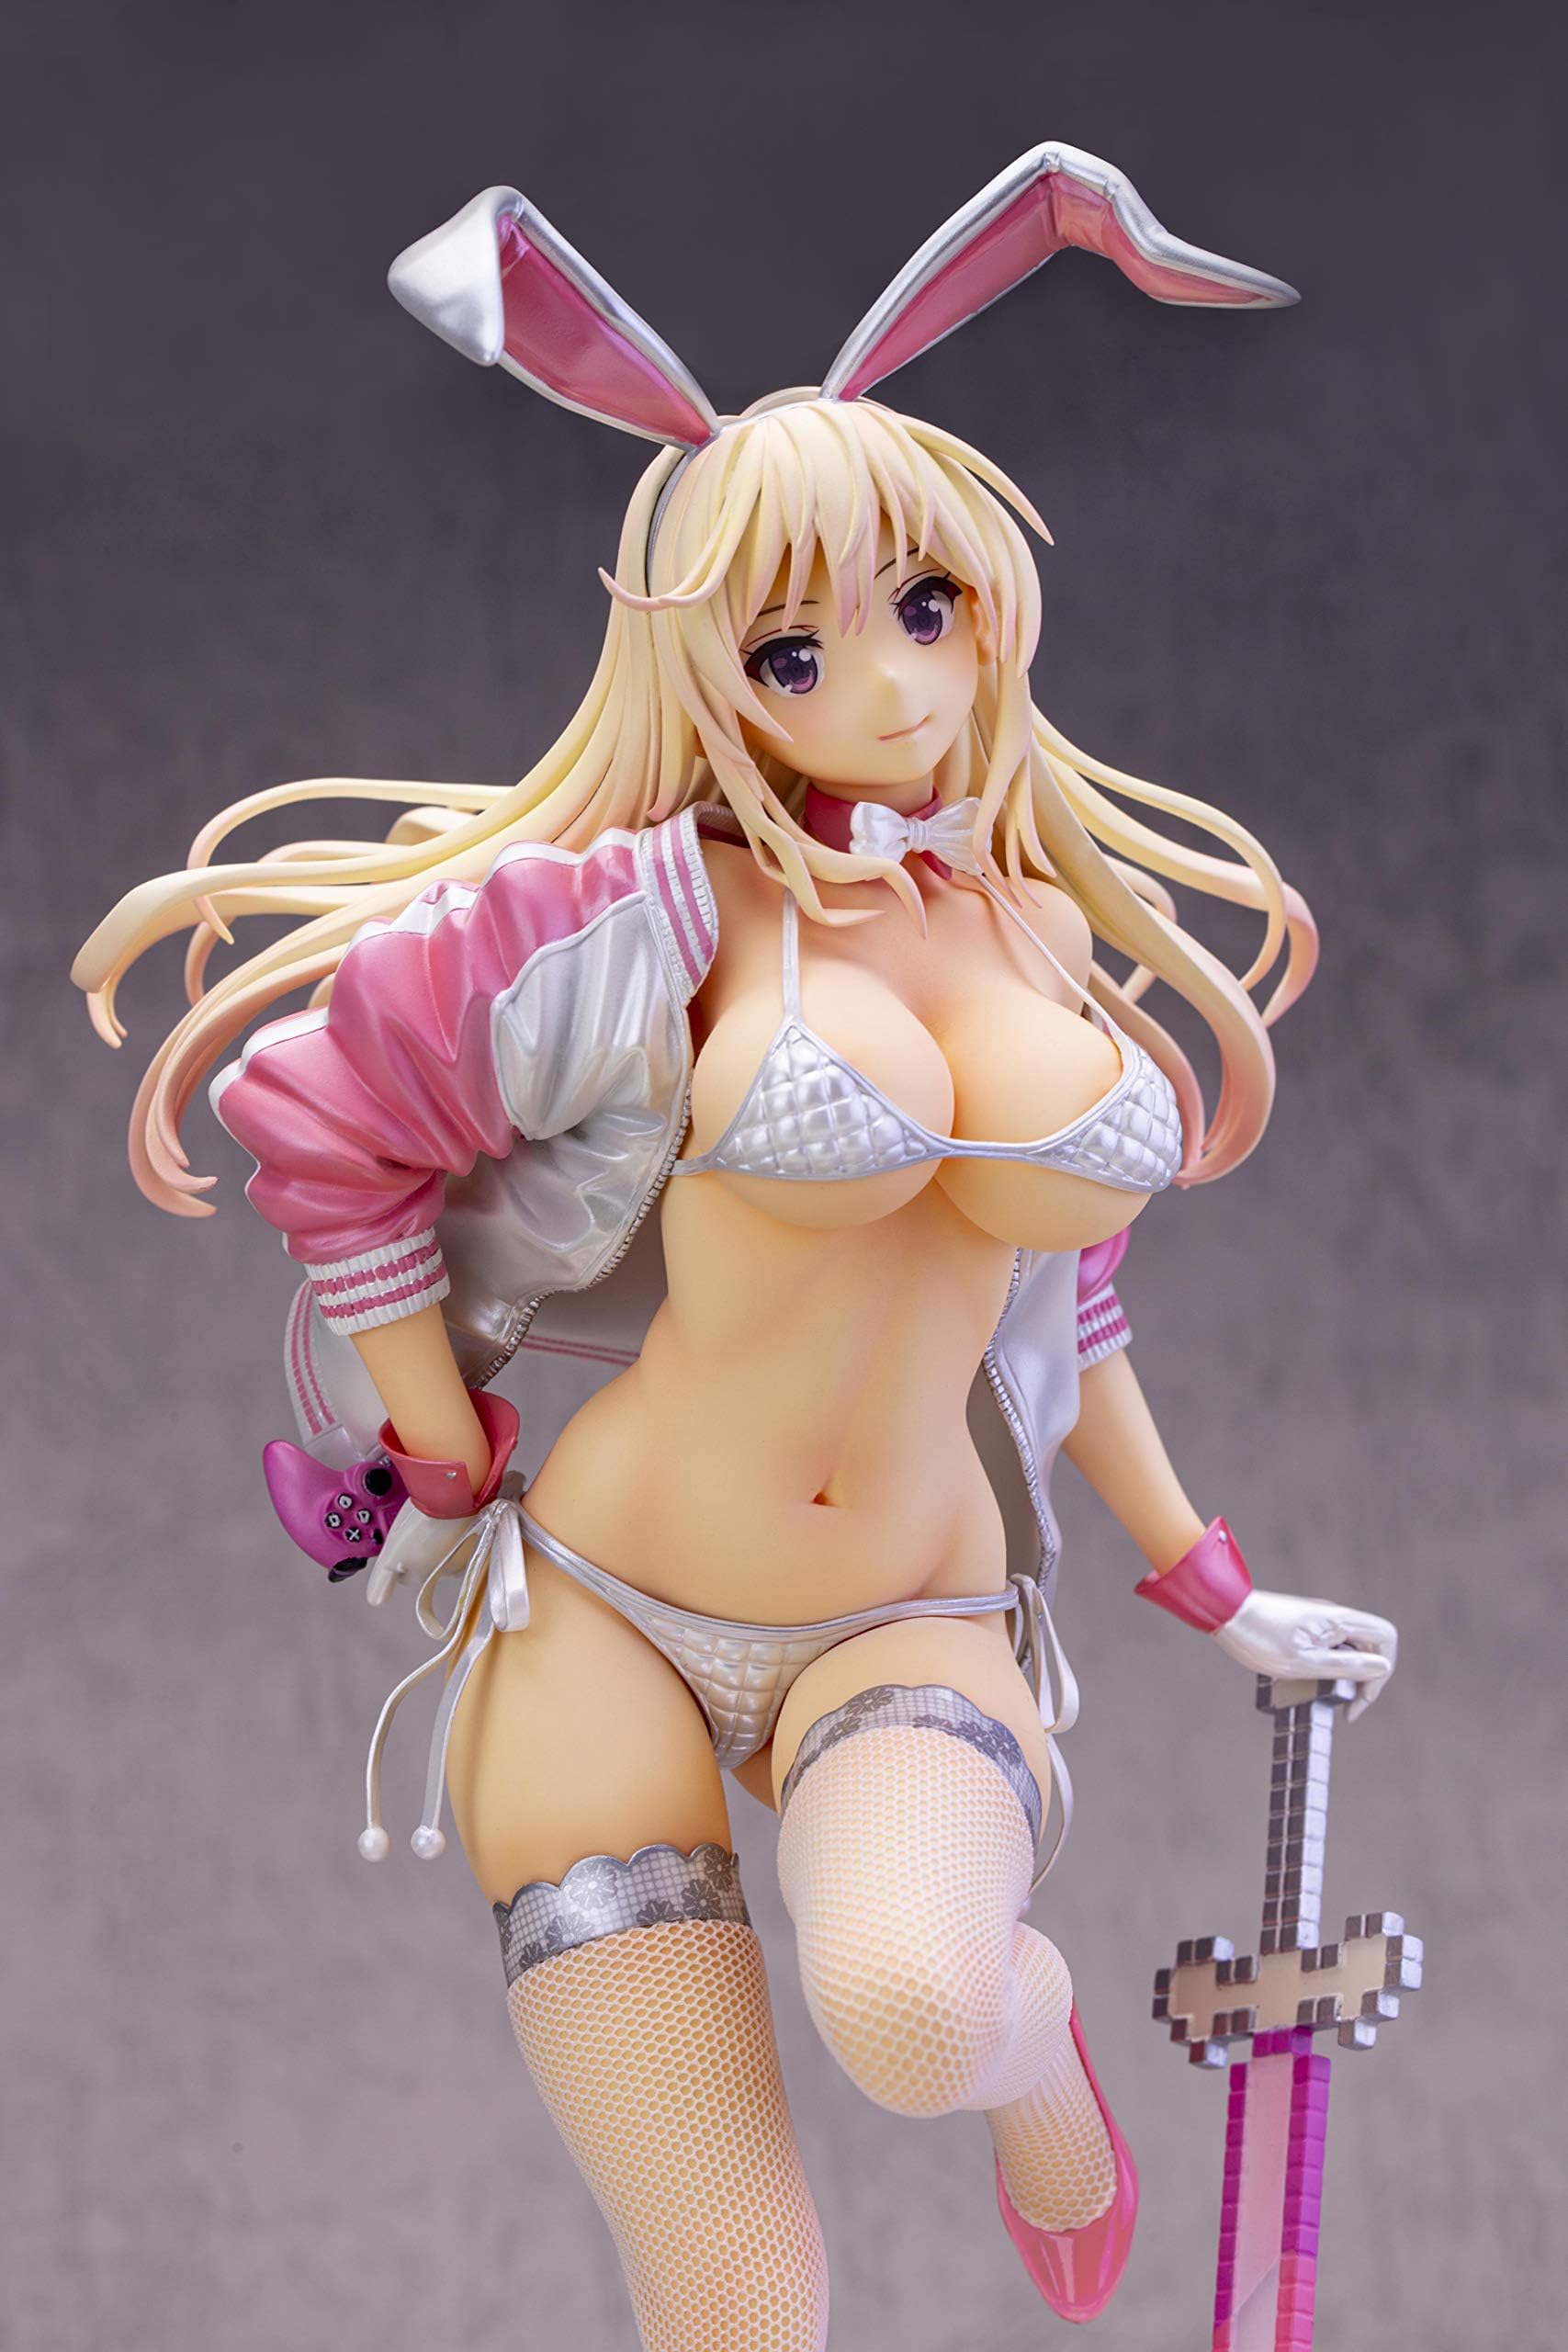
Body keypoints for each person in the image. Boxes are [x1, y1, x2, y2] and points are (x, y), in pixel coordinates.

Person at [73, 145, 1398, 2349]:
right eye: (796, 642)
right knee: (728, 2280)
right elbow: (322, 1123)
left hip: (908, 1616)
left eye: (922, 607)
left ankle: (1038, 2045)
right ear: (709, 666)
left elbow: (1059, 1302)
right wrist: (438, 1448)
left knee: (913, 2004)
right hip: (595, 1607)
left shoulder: (1036, 930)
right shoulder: (652, 923)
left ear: (987, 597)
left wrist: (1207, 1580)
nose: (883, 682)